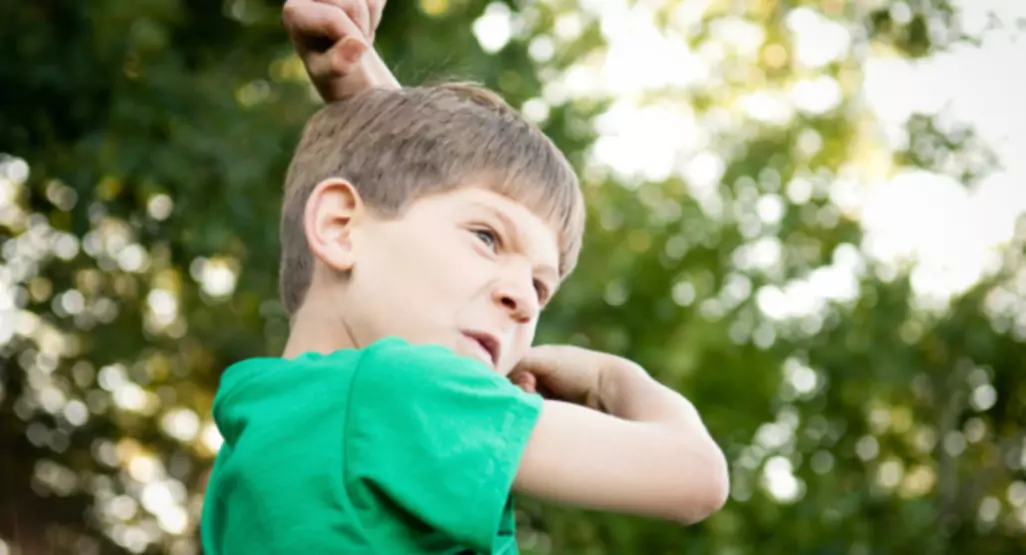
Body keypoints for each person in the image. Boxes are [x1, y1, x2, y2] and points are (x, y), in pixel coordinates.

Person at [199, 1, 730, 553]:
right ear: (339, 226)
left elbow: (405, 193)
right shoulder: (398, 391)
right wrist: (608, 378)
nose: (524, 298)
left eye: (542, 287)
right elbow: (696, 476)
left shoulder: (263, 422)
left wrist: (363, 88)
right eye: (486, 238)